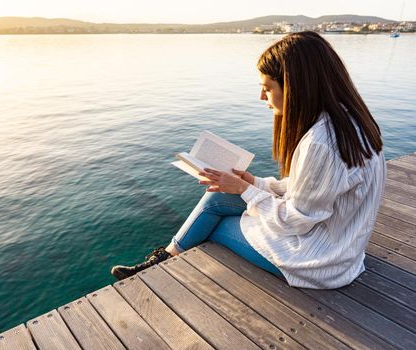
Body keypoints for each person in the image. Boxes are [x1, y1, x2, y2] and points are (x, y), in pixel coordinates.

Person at [111, 31, 386, 289]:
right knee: (216, 198)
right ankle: (161, 259)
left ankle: (157, 271)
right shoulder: (349, 121)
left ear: (296, 87)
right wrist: (254, 182)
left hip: (320, 262)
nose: (261, 97)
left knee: (215, 225)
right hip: (341, 248)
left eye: (267, 88)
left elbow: (294, 222)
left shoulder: (320, 142)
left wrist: (244, 190)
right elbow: (315, 187)